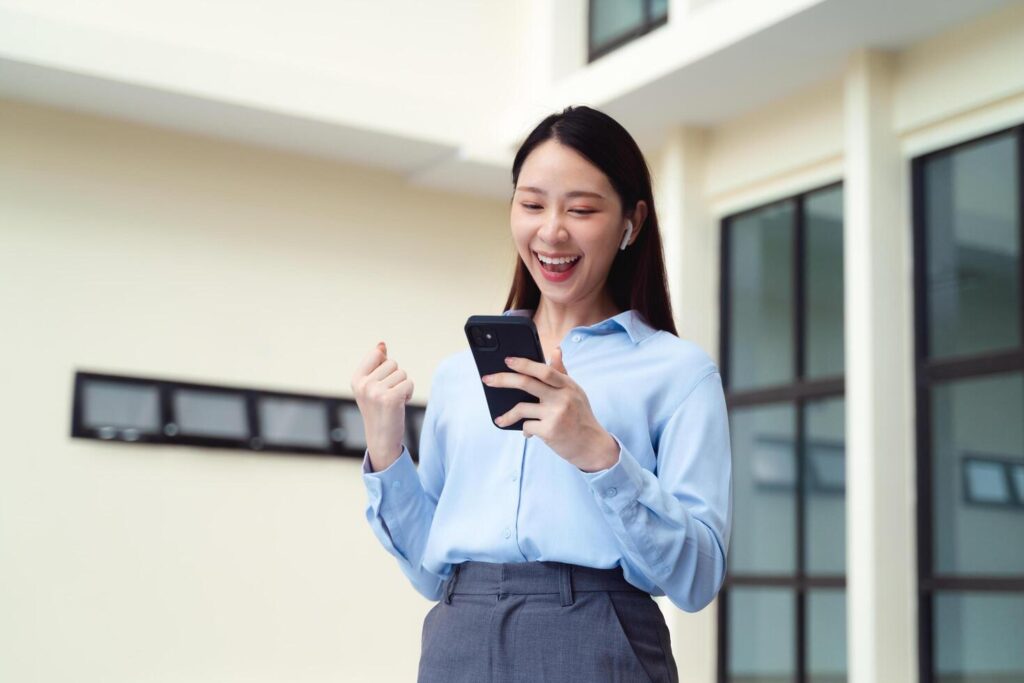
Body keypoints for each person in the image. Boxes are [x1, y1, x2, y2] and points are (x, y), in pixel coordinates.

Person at [350, 105, 732, 683]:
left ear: (631, 222)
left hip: (598, 639)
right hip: (459, 638)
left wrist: (597, 452)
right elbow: (432, 572)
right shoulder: (461, 376)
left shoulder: (679, 373)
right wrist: (385, 450)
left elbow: (696, 579)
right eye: (531, 204)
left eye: (581, 209)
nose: (552, 231)